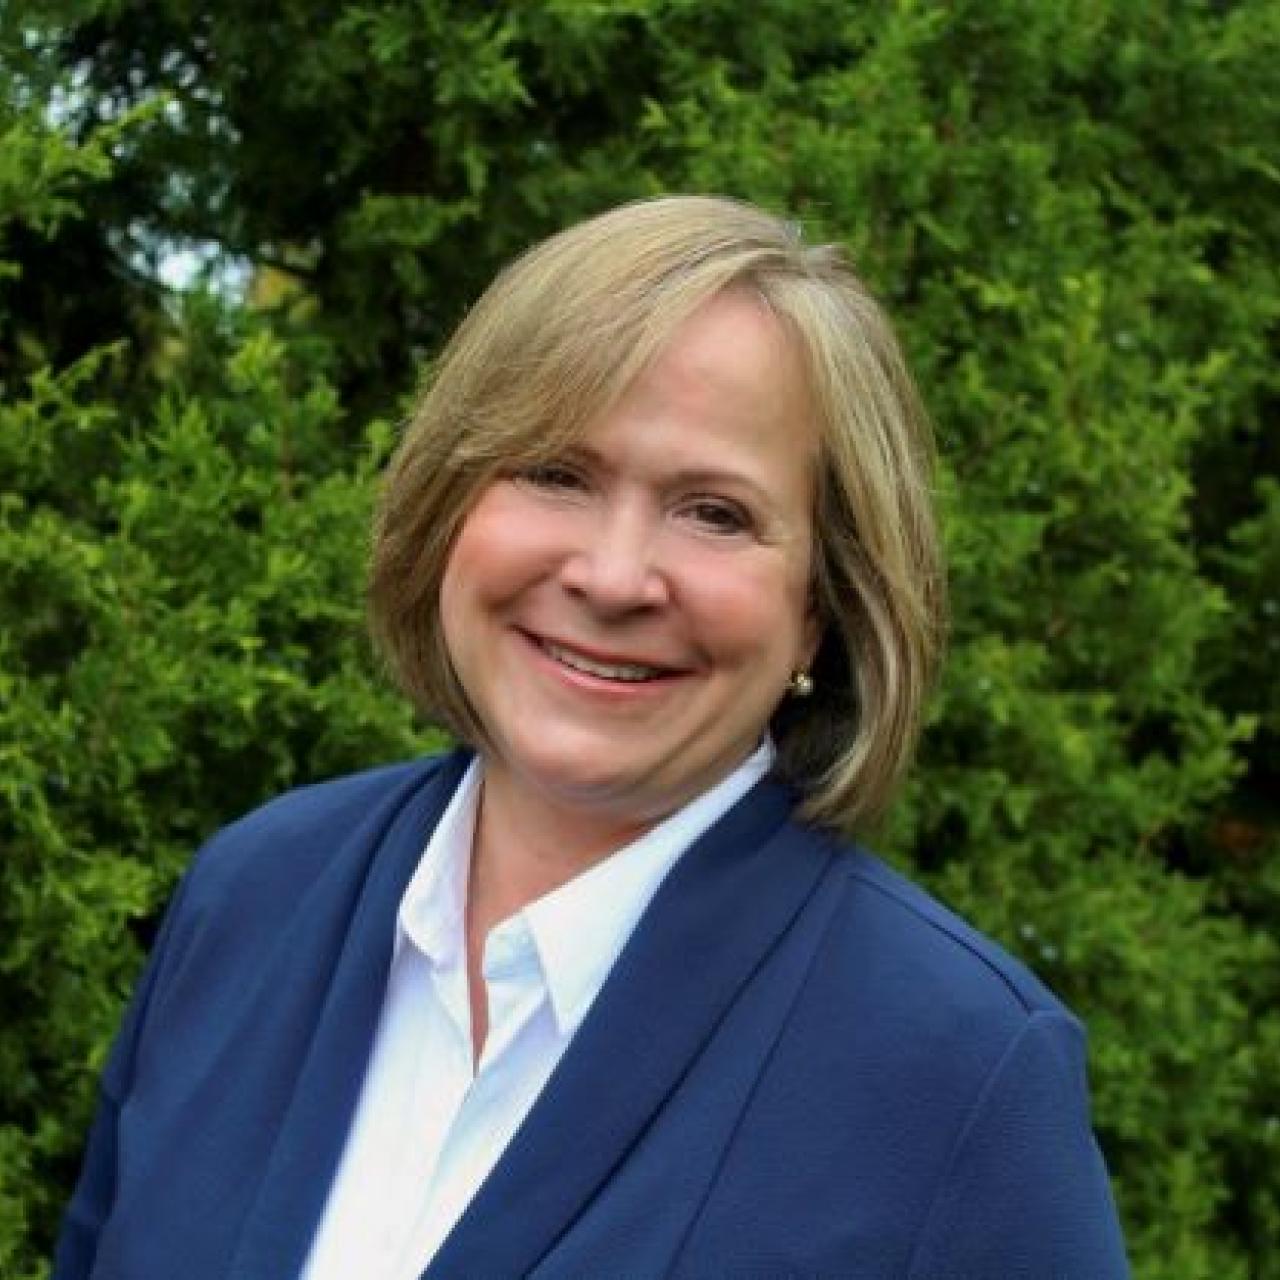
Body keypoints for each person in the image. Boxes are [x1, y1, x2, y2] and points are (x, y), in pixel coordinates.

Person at [53, 195, 1130, 1279]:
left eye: (714, 511)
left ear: (820, 602)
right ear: (447, 504)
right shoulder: (253, 894)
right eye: (555, 473)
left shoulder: (954, 1074)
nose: (612, 577)